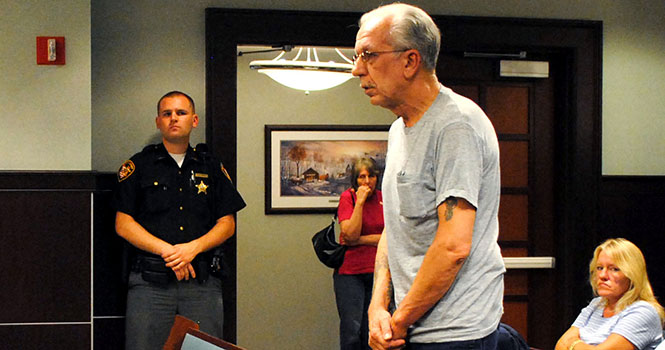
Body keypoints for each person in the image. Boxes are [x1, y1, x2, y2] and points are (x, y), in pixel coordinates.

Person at [352, 3, 504, 349]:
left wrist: (400, 320)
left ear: (410, 61)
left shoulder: (456, 125)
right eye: (357, 57)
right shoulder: (398, 129)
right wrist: (378, 306)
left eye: (369, 56)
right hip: (411, 322)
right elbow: (397, 223)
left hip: (457, 333)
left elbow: (453, 246)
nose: (357, 70)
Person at [114, 91, 246, 350]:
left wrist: (191, 249)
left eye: (181, 113)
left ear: (194, 120)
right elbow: (123, 223)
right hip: (150, 283)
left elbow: (227, 223)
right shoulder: (138, 166)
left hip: (201, 282)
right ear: (158, 122)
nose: (174, 118)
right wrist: (170, 253)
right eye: (167, 114)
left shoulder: (211, 166)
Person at [555, 238, 664, 350]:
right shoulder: (596, 304)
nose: (603, 275)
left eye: (614, 269)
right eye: (599, 268)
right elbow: (560, 345)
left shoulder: (643, 311)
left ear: (632, 275)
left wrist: (573, 344)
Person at [335, 157, 384, 350]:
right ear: (355, 179)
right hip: (350, 274)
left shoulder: (384, 197)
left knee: (373, 329)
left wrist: (360, 241)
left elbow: (391, 237)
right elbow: (350, 233)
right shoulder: (348, 198)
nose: (367, 181)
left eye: (371, 176)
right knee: (352, 330)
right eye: (362, 177)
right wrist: (360, 203)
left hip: (379, 271)